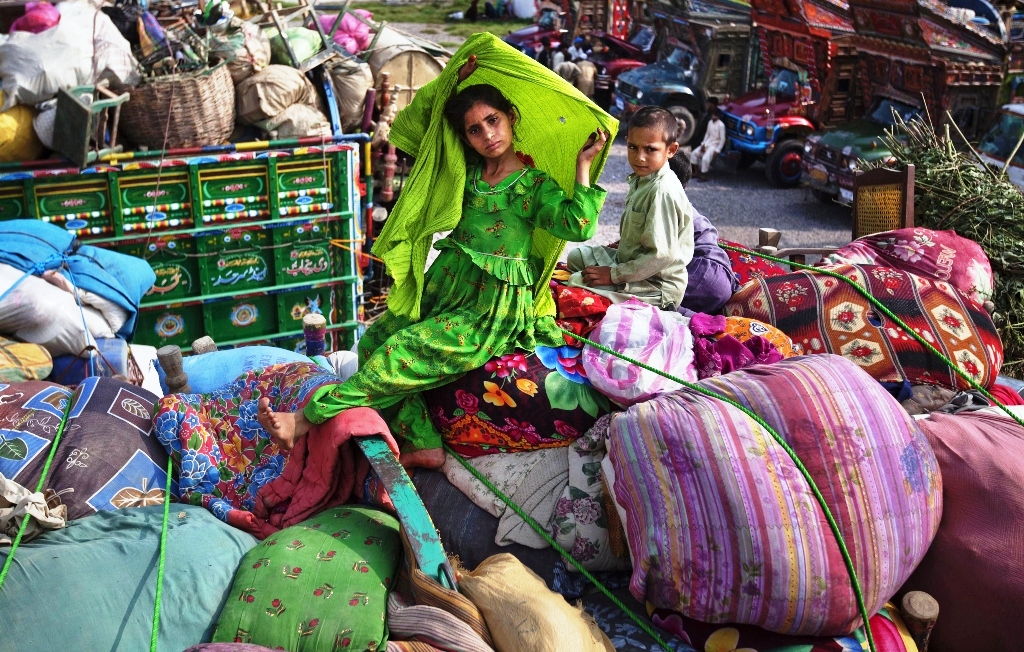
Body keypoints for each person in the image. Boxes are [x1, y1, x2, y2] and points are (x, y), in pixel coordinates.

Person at [258, 54, 609, 469]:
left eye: (493, 120)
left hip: (489, 307)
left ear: (512, 118)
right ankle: (423, 441)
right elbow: (418, 128)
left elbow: (579, 223)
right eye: (474, 130)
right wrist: (448, 83)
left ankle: (304, 419)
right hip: (449, 284)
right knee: (374, 338)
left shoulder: (532, 185)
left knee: (401, 352)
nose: (487, 135)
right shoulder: (468, 171)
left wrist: (583, 166)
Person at [566, 105, 694, 310]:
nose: (639, 157)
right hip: (628, 263)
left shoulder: (662, 191)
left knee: (575, 282)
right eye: (633, 147)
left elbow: (662, 256)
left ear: (671, 150)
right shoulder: (642, 179)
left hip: (655, 285)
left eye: (650, 149)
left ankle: (661, 309)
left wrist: (613, 275)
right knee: (576, 257)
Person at [667, 153, 740, 314]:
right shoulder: (686, 205)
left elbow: (655, 253)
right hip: (723, 276)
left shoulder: (667, 205)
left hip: (703, 273)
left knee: (643, 292)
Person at [690, 106, 725, 181]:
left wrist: (718, 150)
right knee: (694, 153)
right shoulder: (710, 123)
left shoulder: (721, 125)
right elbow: (707, 134)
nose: (713, 116)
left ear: (718, 116)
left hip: (714, 145)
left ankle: (704, 175)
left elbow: (722, 139)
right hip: (707, 143)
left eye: (715, 115)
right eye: (712, 115)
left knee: (705, 158)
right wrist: (703, 144)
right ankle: (696, 172)